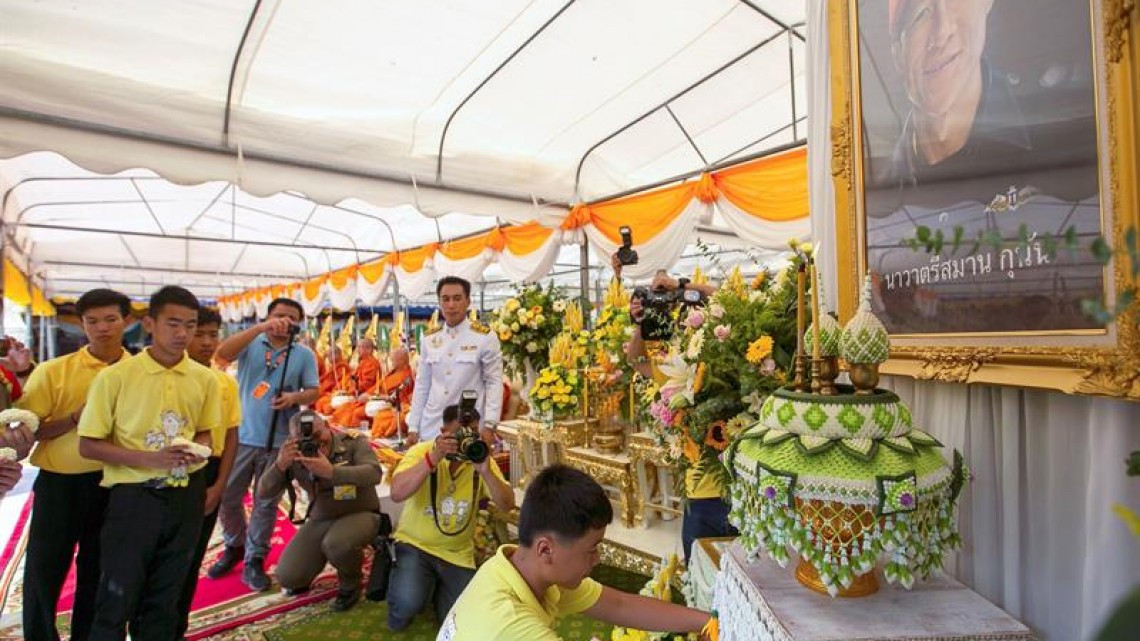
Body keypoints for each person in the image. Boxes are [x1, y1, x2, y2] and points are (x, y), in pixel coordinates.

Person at [77, 286, 219, 641]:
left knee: (165, 600)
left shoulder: (205, 379)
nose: (183, 334)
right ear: (149, 324)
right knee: (116, 598)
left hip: (185, 496)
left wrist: (196, 450)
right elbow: (88, 445)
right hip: (133, 499)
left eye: (190, 324)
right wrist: (150, 459)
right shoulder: (115, 377)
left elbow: (206, 435)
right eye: (173, 324)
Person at [438, 465, 713, 641]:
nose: (597, 559)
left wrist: (709, 622)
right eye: (591, 549)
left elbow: (620, 605)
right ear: (545, 549)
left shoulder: (517, 568)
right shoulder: (510, 624)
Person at [17, 288, 131, 641]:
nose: (103, 328)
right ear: (81, 324)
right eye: (92, 321)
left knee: (99, 569)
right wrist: (75, 418)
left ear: (127, 321)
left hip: (114, 482)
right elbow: (31, 429)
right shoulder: (54, 371)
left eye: (111, 319)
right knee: (43, 568)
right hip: (60, 483)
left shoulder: (140, 372)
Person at [614, 256, 732, 565]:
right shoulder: (676, 366)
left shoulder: (732, 361)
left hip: (737, 488)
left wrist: (681, 286)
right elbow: (636, 362)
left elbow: (726, 297)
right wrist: (640, 326)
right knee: (700, 572)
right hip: (700, 491)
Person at [209, 298, 320, 592]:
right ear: (268, 317)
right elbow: (222, 354)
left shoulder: (303, 354)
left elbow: (313, 391)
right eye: (279, 316)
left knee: (266, 501)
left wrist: (294, 399)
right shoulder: (251, 343)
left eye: (291, 318)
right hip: (241, 436)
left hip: (279, 440)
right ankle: (235, 544)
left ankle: (254, 559)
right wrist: (260, 327)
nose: (285, 322)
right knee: (228, 496)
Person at [387, 404, 514, 631]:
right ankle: (409, 591)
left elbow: (507, 505)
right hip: (417, 546)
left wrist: (485, 471)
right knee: (407, 606)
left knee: (464, 620)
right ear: (442, 431)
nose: (465, 440)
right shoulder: (422, 451)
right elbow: (397, 493)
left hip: (457, 554)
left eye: (472, 433)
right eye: (458, 435)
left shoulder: (479, 458)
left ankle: (434, 588)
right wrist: (433, 458)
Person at [259, 411, 382, 612]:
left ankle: (350, 585)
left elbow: (374, 473)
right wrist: (281, 465)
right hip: (323, 517)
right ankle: (312, 566)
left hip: (360, 512)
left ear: (326, 425)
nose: (315, 443)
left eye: (317, 436)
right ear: (293, 439)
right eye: (305, 439)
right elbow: (263, 492)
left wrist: (332, 472)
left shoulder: (352, 442)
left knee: (337, 543)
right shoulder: (295, 453)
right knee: (289, 576)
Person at [176, 307, 242, 639]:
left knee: (191, 554)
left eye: (211, 335)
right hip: (167, 468)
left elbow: (231, 435)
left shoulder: (223, 382)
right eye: (197, 333)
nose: (205, 342)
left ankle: (178, 624)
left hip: (210, 469)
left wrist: (219, 485)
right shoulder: (165, 376)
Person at [405, 276, 502, 445]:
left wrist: (490, 424)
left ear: (468, 301)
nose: (451, 305)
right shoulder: (429, 338)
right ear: (439, 302)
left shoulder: (484, 337)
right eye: (446, 299)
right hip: (432, 425)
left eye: (457, 299)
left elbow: (494, 382)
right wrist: (413, 426)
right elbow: (422, 384)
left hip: (466, 425)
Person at [328, 338, 381, 428]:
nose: (357, 350)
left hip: (367, 396)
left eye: (360, 348)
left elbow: (367, 383)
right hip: (356, 394)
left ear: (369, 349)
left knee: (349, 412)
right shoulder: (363, 362)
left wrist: (350, 392)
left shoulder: (372, 363)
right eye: (358, 347)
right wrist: (345, 390)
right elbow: (351, 379)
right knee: (340, 408)